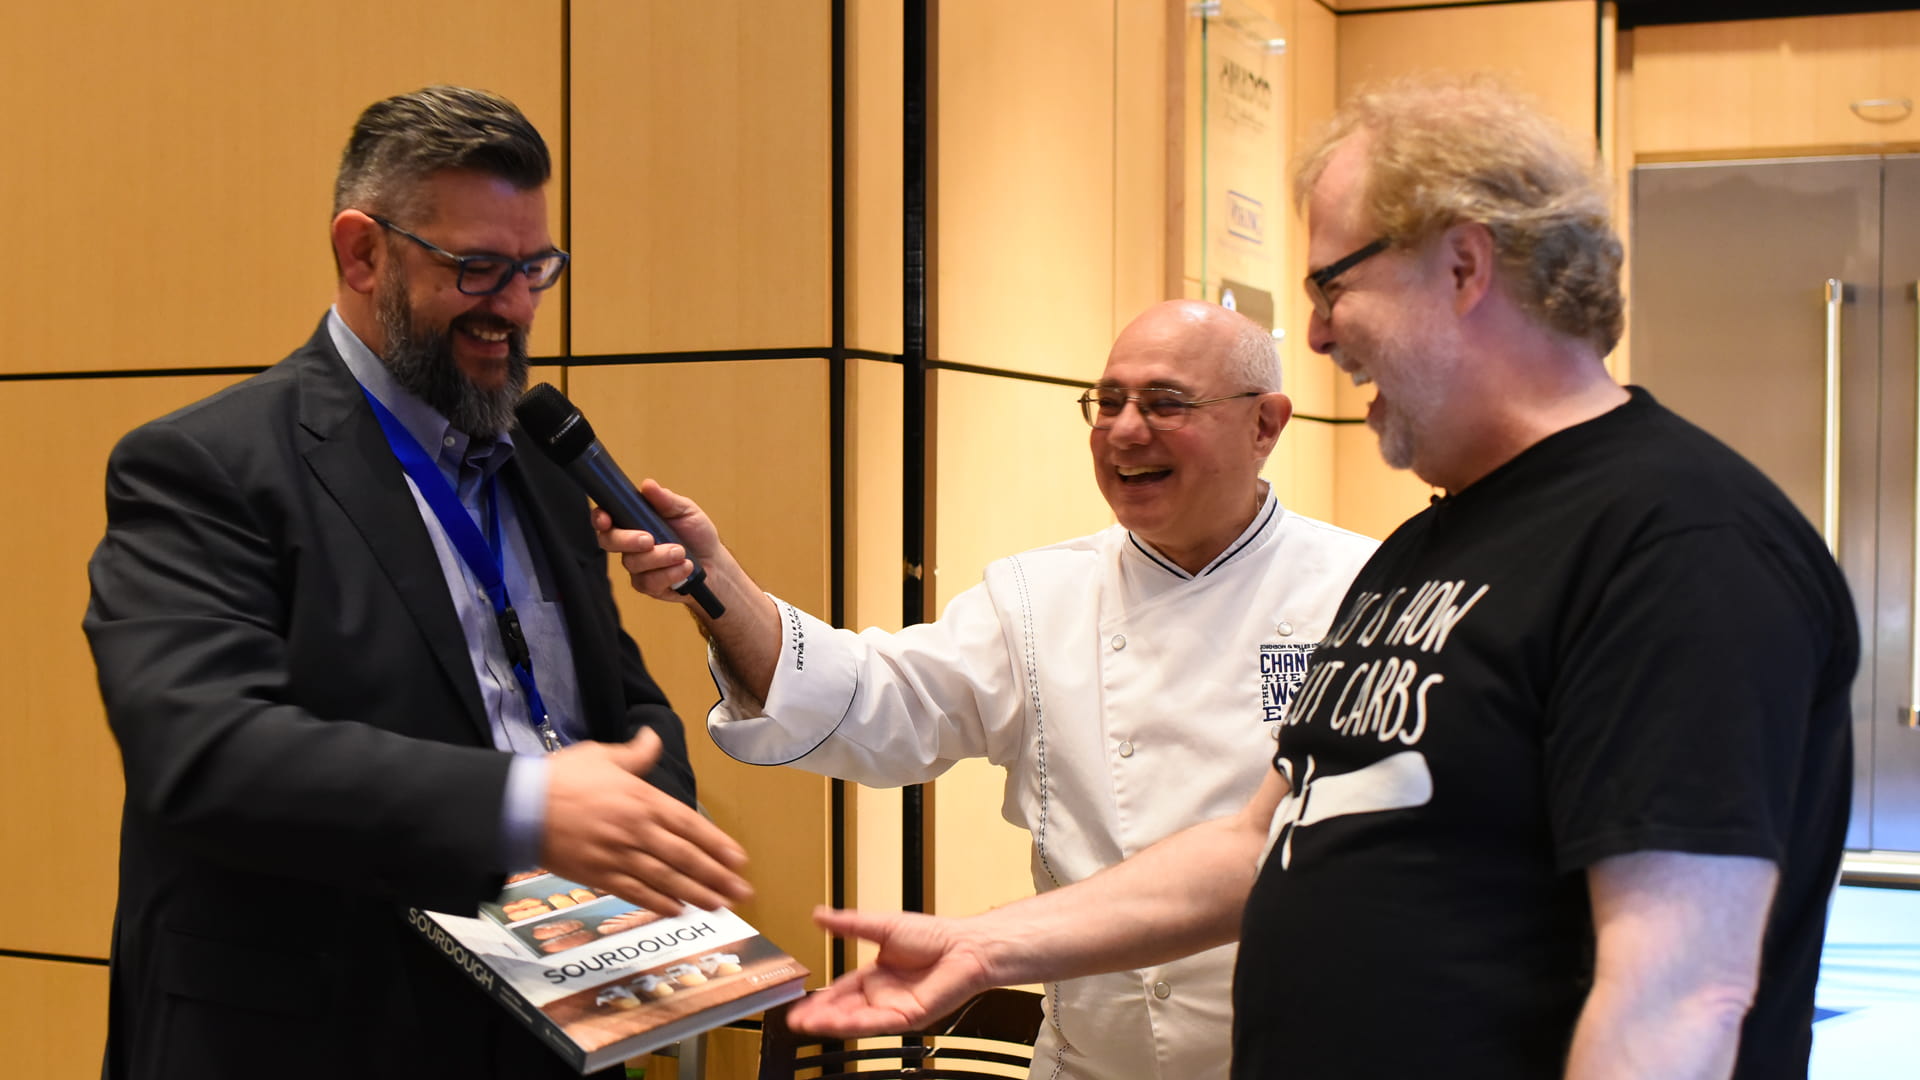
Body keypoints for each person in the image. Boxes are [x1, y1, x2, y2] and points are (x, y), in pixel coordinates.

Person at [769, 77, 1859, 1080]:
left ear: (1464, 266)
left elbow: (1679, 997)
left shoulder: (1676, 543)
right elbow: (1260, 841)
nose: (1324, 333)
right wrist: (983, 945)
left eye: (1333, 284)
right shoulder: (1429, 550)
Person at [82, 86, 751, 1080]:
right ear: (363, 253)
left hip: (553, 1020)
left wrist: (640, 827)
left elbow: (617, 711)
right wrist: (523, 807)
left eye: (537, 269)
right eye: (479, 269)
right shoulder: (203, 464)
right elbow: (205, 751)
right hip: (311, 1033)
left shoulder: (539, 465)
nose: (518, 308)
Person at [597, 299, 1378, 1080]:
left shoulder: (1366, 592)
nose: (1126, 431)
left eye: (1166, 404)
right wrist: (717, 580)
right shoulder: (1040, 597)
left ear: (1265, 425)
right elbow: (873, 701)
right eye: (1107, 404)